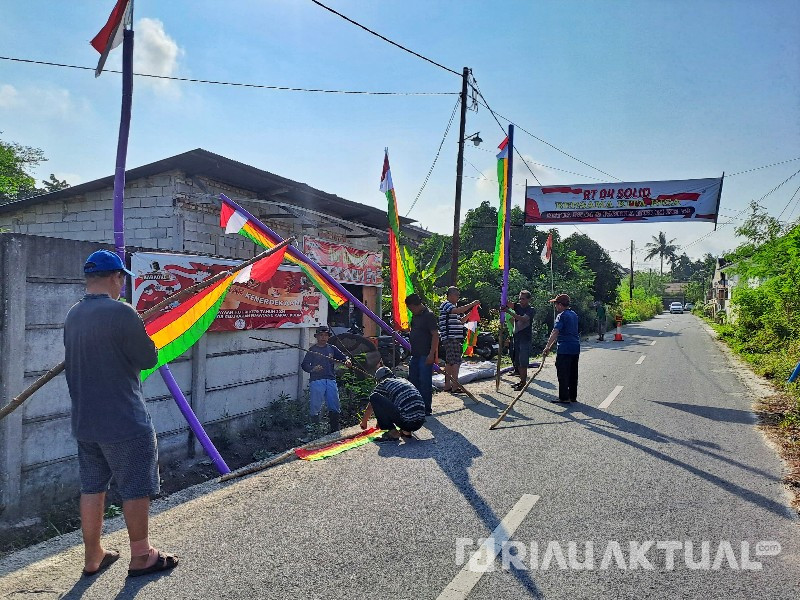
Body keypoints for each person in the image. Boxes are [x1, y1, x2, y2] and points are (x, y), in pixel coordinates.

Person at [64, 250, 178, 578]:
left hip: (86, 421)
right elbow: (147, 358)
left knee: (92, 487)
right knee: (136, 486)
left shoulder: (74, 314)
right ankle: (141, 554)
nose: (122, 283)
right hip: (124, 420)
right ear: (116, 277)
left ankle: (93, 556)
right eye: (121, 278)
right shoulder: (122, 313)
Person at [301, 326, 352, 432]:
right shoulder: (313, 350)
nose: (323, 337)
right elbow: (304, 365)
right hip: (317, 380)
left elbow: (344, 357)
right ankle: (314, 430)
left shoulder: (332, 348)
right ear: (317, 337)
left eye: (325, 335)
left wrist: (347, 361)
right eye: (321, 335)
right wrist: (313, 368)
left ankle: (334, 429)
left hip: (330, 379)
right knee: (315, 405)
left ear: (328, 337)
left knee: (334, 403)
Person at [360, 367, 426, 442]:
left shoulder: (384, 383)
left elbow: (371, 406)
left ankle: (393, 433)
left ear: (379, 379)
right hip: (420, 421)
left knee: (374, 396)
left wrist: (364, 422)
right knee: (403, 403)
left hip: (407, 422)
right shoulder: (403, 381)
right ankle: (406, 432)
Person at [438, 287, 480, 393]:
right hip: (451, 337)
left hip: (453, 338)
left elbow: (461, 321)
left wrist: (472, 312)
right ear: (450, 295)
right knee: (456, 361)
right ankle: (455, 386)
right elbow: (457, 310)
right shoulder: (447, 305)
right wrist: (471, 304)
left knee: (450, 361)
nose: (458, 297)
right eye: (456, 295)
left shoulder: (452, 308)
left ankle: (448, 385)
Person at [542, 293, 581, 403]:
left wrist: (547, 347)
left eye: (556, 304)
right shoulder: (573, 314)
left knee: (563, 373)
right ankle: (572, 396)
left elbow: (555, 331)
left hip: (565, 348)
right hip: (575, 347)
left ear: (560, 305)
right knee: (573, 373)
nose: (555, 307)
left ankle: (564, 397)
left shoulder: (561, 316)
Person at [404, 293, 439, 415]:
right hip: (415, 354)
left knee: (425, 382)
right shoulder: (415, 316)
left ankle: (426, 408)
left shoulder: (429, 315)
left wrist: (432, 355)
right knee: (413, 381)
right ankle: (416, 406)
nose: (410, 310)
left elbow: (435, 335)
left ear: (416, 305)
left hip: (425, 355)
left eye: (411, 308)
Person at [505, 290, 536, 391]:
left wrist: (509, 311)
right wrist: (503, 289)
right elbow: (506, 302)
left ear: (528, 299)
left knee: (523, 362)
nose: (521, 301)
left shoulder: (530, 310)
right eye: (520, 298)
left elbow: (523, 319)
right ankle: (521, 381)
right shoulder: (517, 306)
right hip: (516, 337)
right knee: (517, 361)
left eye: (523, 299)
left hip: (525, 339)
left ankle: (523, 382)